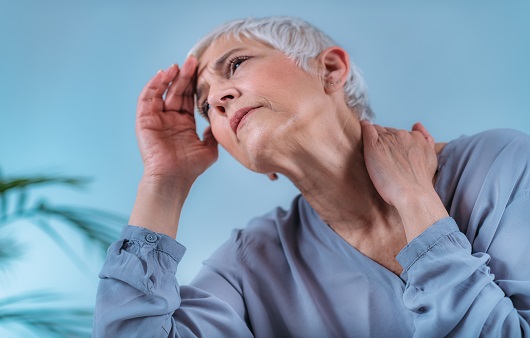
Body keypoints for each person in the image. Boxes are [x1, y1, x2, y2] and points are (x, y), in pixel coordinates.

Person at [93, 16, 530, 337]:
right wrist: (164, 183)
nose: (220, 100)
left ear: (330, 70)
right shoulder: (252, 264)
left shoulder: (502, 165)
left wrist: (418, 203)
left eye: (236, 64)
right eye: (205, 107)